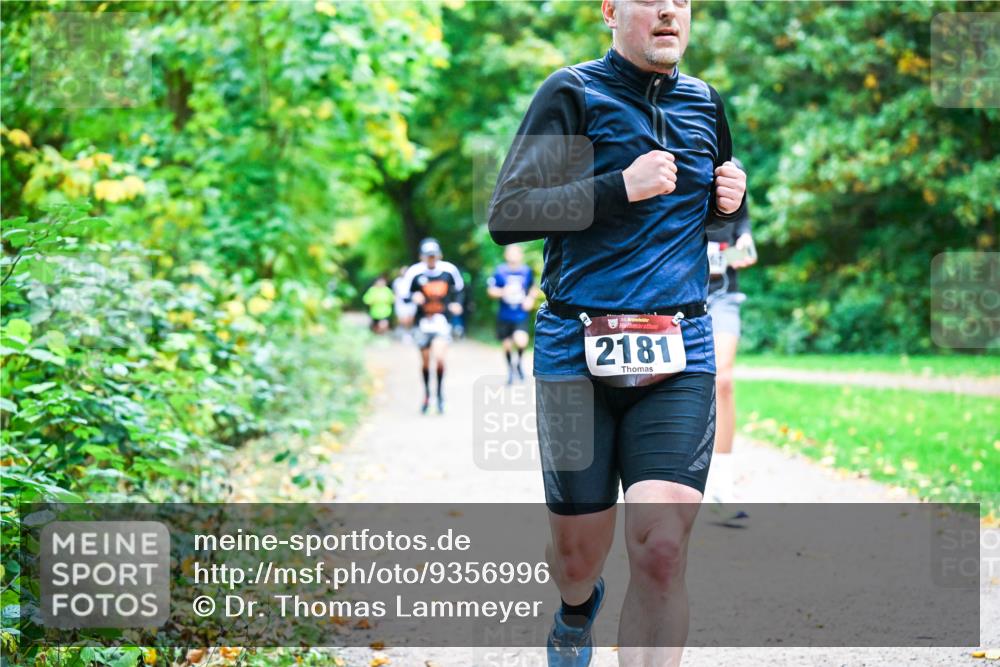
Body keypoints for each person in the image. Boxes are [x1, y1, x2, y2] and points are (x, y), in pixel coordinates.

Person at [487, 0, 747, 665]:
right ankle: (576, 610)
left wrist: (731, 206)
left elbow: (710, 231)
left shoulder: (706, 103)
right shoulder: (572, 93)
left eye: (681, 1)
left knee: (661, 548)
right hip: (576, 347)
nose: (668, 11)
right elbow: (509, 215)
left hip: (679, 345)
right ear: (610, 10)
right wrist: (617, 186)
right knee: (578, 557)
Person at [704, 157, 756, 512]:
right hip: (674, 295)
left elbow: (744, 229)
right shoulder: (671, 160)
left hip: (722, 295)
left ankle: (722, 485)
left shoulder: (733, 167)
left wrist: (745, 245)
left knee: (723, 380)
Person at [403, 238, 465, 415]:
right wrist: (413, 298)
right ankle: (427, 395)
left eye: (433, 256)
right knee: (425, 362)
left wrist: (456, 304)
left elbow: (459, 289)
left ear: (439, 255)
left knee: (439, 358)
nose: (431, 259)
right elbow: (403, 295)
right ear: (421, 257)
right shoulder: (414, 273)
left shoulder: (448, 270)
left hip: (441, 321)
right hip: (422, 323)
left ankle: (439, 395)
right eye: (427, 256)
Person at [487, 245, 539, 384]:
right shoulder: (500, 271)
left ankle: (519, 363)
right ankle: (510, 369)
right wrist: (504, 291)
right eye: (510, 253)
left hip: (520, 314)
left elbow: (533, 288)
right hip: (504, 314)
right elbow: (491, 291)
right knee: (507, 345)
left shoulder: (526, 271)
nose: (513, 255)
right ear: (506, 255)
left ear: (521, 254)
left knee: (521, 341)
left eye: (516, 253)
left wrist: (530, 299)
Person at [392, 265, 417, 340]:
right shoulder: (397, 281)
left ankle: (409, 332)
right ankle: (404, 333)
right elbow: (395, 292)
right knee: (402, 318)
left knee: (410, 318)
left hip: (411, 301)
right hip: (401, 302)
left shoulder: (412, 280)